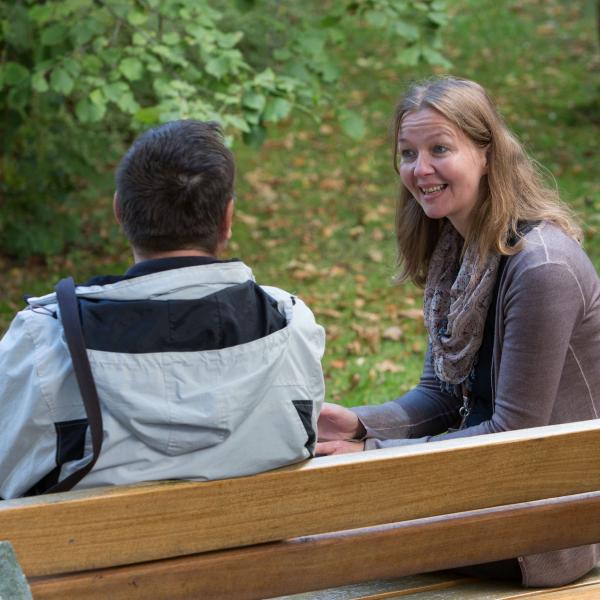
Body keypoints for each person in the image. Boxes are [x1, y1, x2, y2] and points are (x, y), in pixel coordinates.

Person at [316, 76, 600, 587]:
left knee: (322, 539)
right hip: (483, 492)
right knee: (312, 523)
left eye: (439, 149)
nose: (420, 169)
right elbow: (440, 397)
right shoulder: (458, 255)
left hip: (547, 529)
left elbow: (512, 436)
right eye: (407, 153)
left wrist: (373, 459)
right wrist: (360, 425)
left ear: (487, 153)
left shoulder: (541, 268)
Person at [0, 120, 325, 499]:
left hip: (88, 555)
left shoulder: (44, 339)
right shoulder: (290, 324)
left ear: (119, 211)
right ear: (228, 218)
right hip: (259, 553)